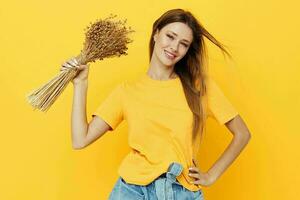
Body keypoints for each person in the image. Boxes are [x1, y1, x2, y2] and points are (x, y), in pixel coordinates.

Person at [62, 8, 251, 200]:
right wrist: (80, 84)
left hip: (181, 191)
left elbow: (242, 134)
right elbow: (80, 139)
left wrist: (211, 175)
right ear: (156, 33)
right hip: (131, 191)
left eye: (183, 44)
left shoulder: (200, 88)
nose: (174, 47)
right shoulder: (127, 92)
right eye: (170, 36)